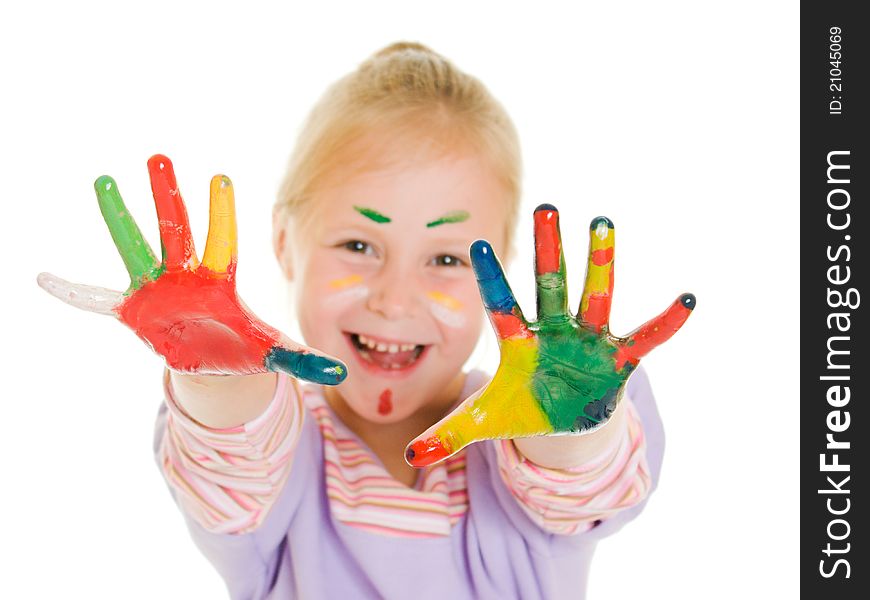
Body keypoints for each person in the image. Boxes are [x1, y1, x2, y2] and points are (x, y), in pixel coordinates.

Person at [39, 42, 691, 599]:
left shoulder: (517, 438)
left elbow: (579, 484)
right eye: (358, 246)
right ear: (284, 243)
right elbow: (232, 454)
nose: (395, 298)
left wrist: (567, 423)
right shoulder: (281, 447)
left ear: (503, 273)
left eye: (444, 257)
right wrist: (214, 371)